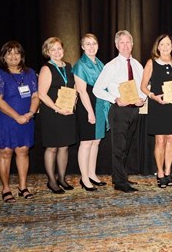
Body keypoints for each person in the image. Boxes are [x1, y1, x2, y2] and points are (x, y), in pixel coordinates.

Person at [93, 30, 146, 193]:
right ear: (116, 45)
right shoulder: (112, 66)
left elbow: (142, 87)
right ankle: (120, 183)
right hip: (119, 111)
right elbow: (97, 89)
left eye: (128, 42)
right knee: (119, 148)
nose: (125, 46)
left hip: (133, 111)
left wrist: (142, 98)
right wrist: (115, 99)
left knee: (127, 147)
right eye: (121, 42)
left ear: (133, 44)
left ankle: (121, 176)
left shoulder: (137, 65)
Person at [0, 41, 39, 202]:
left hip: (26, 118)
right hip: (5, 119)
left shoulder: (30, 72)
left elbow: (35, 95)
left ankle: (22, 187)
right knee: (5, 152)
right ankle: (6, 188)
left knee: (23, 151)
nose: (13, 56)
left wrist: (30, 113)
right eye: (9, 53)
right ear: (3, 56)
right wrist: (17, 116)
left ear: (22, 55)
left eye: (17, 53)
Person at [140, 34, 172, 188]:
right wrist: (154, 97)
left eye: (168, 44)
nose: (166, 47)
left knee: (171, 140)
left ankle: (168, 171)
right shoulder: (151, 63)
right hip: (158, 106)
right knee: (160, 140)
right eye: (163, 44)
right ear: (157, 47)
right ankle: (160, 173)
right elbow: (143, 87)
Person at [38, 37, 77, 194]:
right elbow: (42, 94)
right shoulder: (46, 69)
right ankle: (52, 181)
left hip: (67, 111)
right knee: (52, 148)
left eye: (59, 48)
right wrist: (57, 108)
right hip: (52, 113)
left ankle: (62, 178)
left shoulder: (68, 66)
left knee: (64, 147)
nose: (56, 52)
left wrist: (73, 102)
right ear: (47, 52)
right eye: (52, 49)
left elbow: (72, 88)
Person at [73, 33, 109, 191]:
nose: (91, 47)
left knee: (96, 142)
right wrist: (90, 112)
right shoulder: (80, 65)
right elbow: (81, 91)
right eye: (87, 44)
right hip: (87, 106)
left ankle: (92, 174)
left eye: (94, 43)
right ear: (82, 46)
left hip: (99, 105)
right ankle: (84, 178)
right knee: (86, 143)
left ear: (98, 46)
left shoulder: (100, 64)